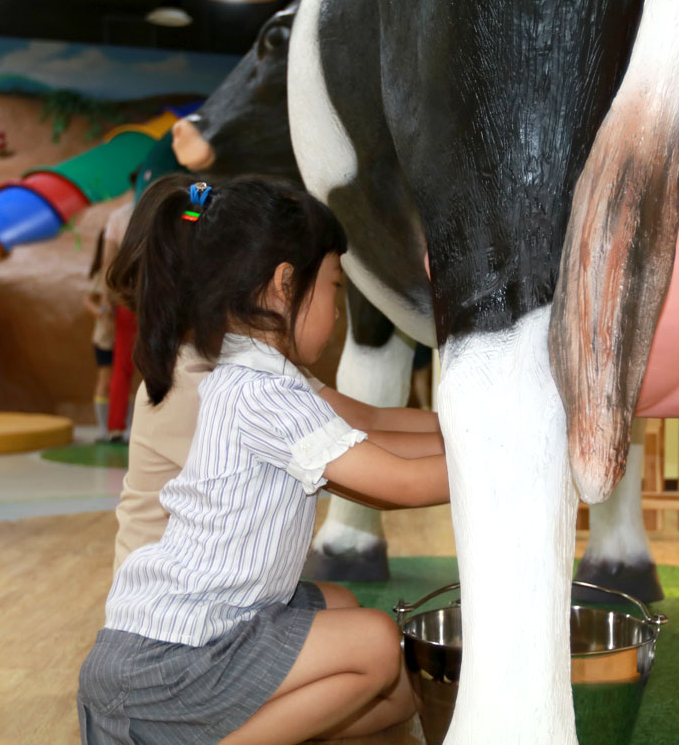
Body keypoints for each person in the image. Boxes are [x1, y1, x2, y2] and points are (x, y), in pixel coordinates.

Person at [78, 176, 449, 745]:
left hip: (219, 615)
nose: (338, 309)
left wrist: (465, 433)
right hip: (171, 654)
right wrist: (509, 456)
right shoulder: (243, 389)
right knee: (373, 642)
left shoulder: (254, 371)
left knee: (395, 686)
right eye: (333, 287)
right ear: (283, 284)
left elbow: (366, 426)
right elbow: (390, 479)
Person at [83, 229, 117, 441]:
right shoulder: (101, 274)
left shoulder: (119, 271)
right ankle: (103, 428)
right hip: (104, 337)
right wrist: (101, 312)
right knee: (104, 380)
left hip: (122, 335)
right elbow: (87, 300)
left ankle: (121, 425)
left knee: (122, 381)